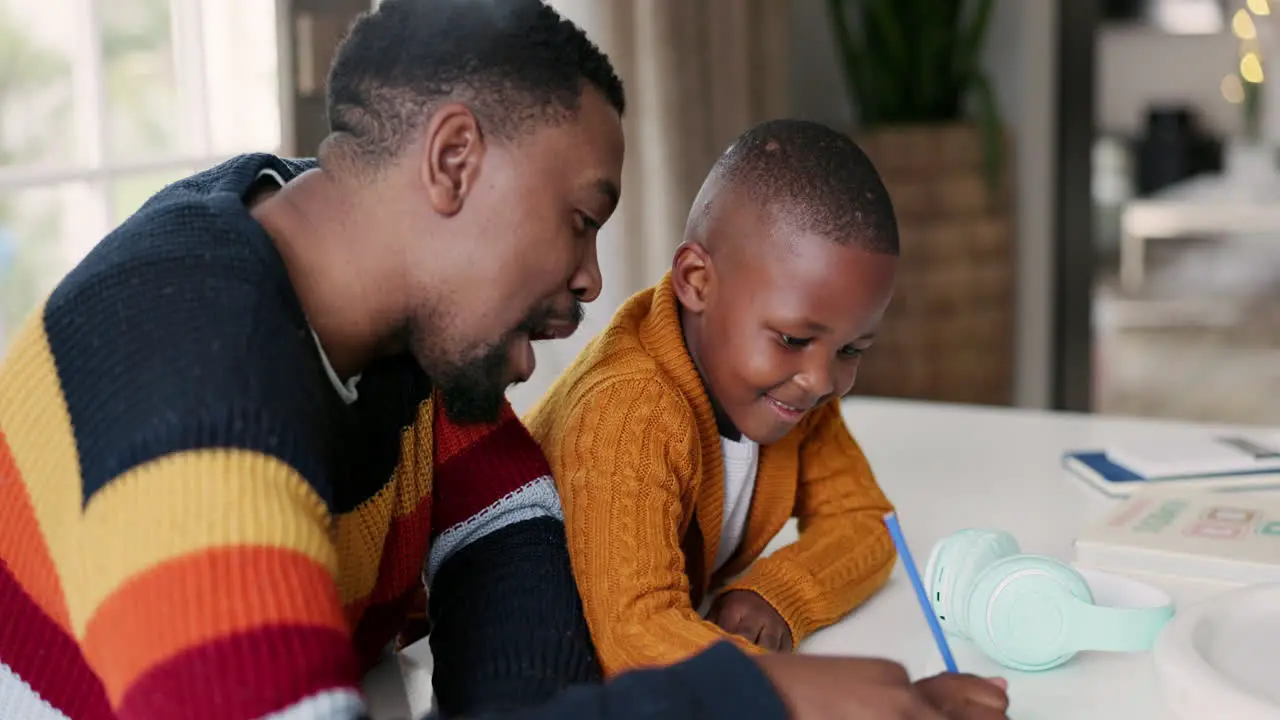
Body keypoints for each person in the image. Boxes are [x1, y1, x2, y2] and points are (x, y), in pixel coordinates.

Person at [0, 0, 1009, 718]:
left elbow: (524, 627)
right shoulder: (192, 414)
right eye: (578, 221)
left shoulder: (424, 339)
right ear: (452, 161)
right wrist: (747, 697)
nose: (590, 278)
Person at [525, 118, 1008, 712]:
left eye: (853, 350)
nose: (823, 380)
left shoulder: (795, 389)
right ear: (697, 281)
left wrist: (778, 594)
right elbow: (634, 638)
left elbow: (867, 523)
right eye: (790, 337)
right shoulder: (628, 414)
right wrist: (812, 695)